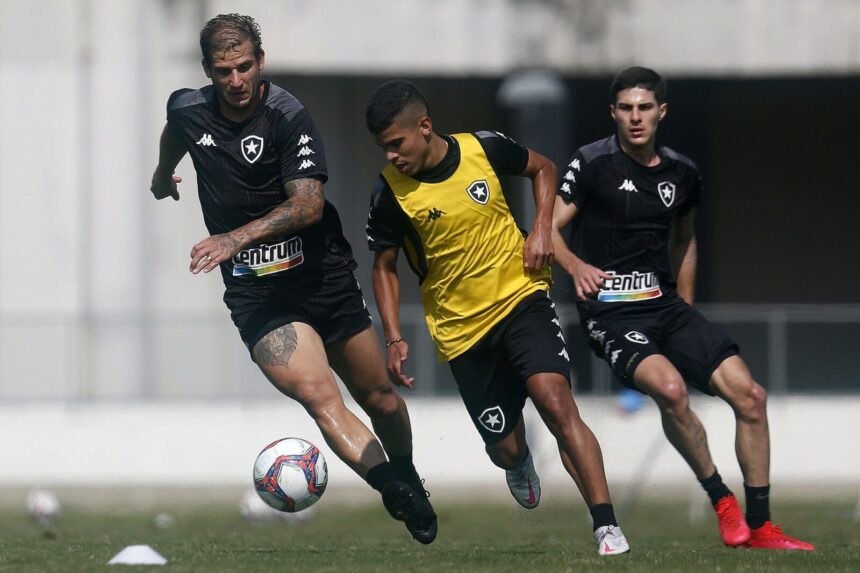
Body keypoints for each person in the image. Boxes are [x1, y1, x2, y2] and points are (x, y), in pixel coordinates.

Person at [149, 14, 436, 544]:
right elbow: (175, 129)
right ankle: (393, 488)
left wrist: (233, 238)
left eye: (244, 67)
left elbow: (307, 205)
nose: (236, 81)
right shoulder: (188, 108)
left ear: (261, 60)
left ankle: (407, 472)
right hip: (258, 294)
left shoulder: (287, 116)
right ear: (207, 71)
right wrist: (162, 174)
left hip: (321, 276)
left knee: (379, 398)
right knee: (319, 395)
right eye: (223, 71)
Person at [551, 66, 814, 551]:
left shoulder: (682, 173)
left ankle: (761, 526)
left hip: (667, 308)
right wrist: (575, 265)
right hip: (611, 314)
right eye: (626, 108)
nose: (635, 117)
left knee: (751, 396)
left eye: (645, 108)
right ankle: (721, 500)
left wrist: (685, 309)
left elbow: (686, 239)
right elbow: (545, 228)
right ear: (613, 112)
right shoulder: (591, 163)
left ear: (661, 112)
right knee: (671, 390)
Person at [364, 79, 630, 556]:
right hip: (462, 333)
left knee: (554, 400)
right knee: (504, 447)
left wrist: (542, 229)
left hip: (521, 296)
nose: (390, 156)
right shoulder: (390, 195)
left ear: (424, 127)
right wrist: (393, 338)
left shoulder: (483, 148)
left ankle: (606, 526)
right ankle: (519, 460)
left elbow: (544, 169)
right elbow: (384, 267)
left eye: (395, 144)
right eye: (383, 148)